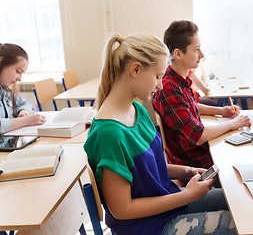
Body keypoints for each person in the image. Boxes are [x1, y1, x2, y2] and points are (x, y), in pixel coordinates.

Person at [83, 33, 236, 235]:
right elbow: (121, 210)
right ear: (135, 69)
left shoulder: (137, 110)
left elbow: (146, 168)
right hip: (147, 227)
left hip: (167, 206)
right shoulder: (109, 134)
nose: (161, 85)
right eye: (157, 76)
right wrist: (186, 196)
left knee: (234, 199)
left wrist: (185, 171)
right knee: (240, 223)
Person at [152, 20, 250, 173]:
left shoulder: (177, 80)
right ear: (178, 54)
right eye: (197, 50)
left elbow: (188, 106)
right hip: (197, 165)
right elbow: (199, 135)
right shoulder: (169, 88)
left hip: (199, 155)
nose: (202, 55)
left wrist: (221, 111)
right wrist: (233, 124)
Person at [0, 43, 46, 134]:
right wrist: (26, 121)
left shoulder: (5, 91)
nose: (20, 79)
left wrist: (23, 111)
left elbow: (25, 103)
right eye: (18, 71)